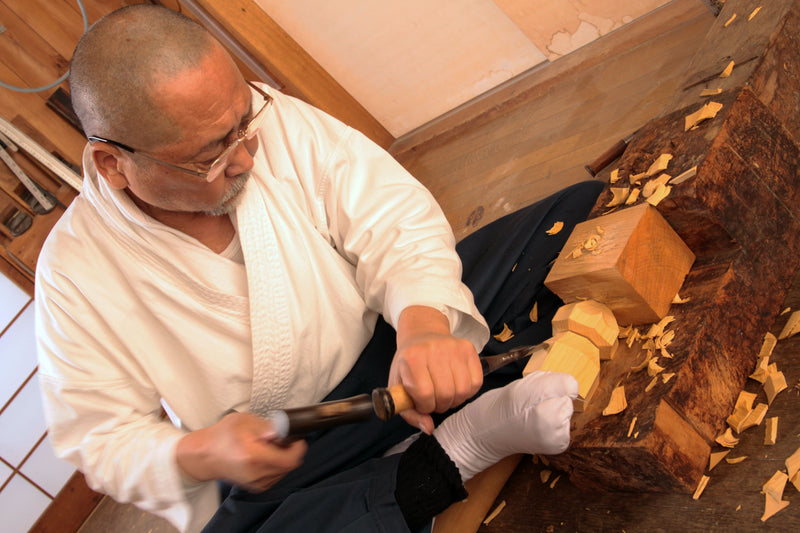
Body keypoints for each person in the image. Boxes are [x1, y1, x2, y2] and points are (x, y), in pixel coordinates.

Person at [35, 5, 603, 533]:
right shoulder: (74, 271)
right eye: (208, 156)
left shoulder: (261, 120)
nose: (244, 157)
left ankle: (429, 431)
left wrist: (424, 324)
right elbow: (98, 436)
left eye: (243, 124)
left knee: (576, 211)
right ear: (114, 165)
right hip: (295, 449)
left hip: (398, 357)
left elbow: (386, 215)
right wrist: (198, 452)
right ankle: (461, 446)